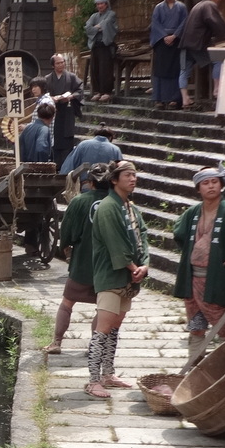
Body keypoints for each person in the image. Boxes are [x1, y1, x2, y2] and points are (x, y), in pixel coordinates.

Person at [173, 166, 225, 359]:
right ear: (198, 188)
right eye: (205, 183)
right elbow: (178, 234)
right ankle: (195, 366)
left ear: (222, 185)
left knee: (224, 328)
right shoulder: (192, 212)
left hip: (218, 280)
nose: (210, 186)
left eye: (214, 182)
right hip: (192, 279)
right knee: (196, 328)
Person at [85, 160, 148, 398]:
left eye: (134, 175)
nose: (132, 179)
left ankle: (108, 373)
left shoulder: (130, 207)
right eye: (127, 175)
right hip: (111, 275)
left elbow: (142, 234)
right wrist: (134, 266)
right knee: (102, 329)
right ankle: (92, 380)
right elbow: (115, 243)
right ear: (114, 180)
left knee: (114, 328)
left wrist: (145, 264)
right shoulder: (108, 206)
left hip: (128, 277)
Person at [45, 163, 112, 354]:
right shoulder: (117, 202)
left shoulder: (80, 201)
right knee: (103, 307)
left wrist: (65, 247)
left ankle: (57, 342)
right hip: (108, 265)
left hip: (83, 260)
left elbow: (66, 232)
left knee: (67, 302)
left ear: (90, 182)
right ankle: (95, 346)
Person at [179, 0, 225, 110]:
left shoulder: (198, 5)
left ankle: (185, 98)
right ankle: (217, 90)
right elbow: (215, 22)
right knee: (218, 60)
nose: (219, 1)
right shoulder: (209, 5)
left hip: (186, 43)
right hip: (197, 43)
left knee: (184, 70)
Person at [151, 0, 187, 109]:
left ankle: (174, 99)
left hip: (176, 41)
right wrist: (164, 36)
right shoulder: (158, 8)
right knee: (160, 69)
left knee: (175, 69)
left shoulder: (181, 7)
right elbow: (155, 24)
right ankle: (159, 99)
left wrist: (175, 35)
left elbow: (184, 22)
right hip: (162, 41)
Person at [44, 54, 82, 170]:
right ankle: (54, 166)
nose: (61, 65)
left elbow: (79, 91)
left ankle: (66, 168)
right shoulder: (48, 79)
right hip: (53, 112)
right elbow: (44, 94)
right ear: (53, 65)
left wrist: (71, 97)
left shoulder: (71, 77)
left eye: (62, 62)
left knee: (67, 138)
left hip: (67, 112)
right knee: (54, 139)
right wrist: (52, 98)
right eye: (58, 63)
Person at [84, 0, 118, 103]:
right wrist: (98, 28)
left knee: (105, 70)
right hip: (96, 45)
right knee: (95, 69)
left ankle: (107, 92)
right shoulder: (94, 16)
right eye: (98, 4)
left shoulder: (111, 14)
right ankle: (98, 91)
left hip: (106, 45)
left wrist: (96, 27)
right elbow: (87, 27)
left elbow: (106, 24)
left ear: (106, 4)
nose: (100, 6)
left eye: (102, 4)